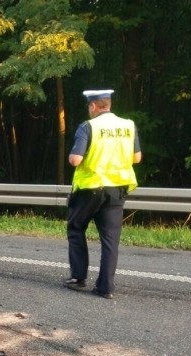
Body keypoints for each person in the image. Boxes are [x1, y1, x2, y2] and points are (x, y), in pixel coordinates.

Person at [64, 89, 142, 299]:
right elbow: (137, 158)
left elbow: (75, 160)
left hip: (91, 188)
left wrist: (76, 154)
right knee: (110, 239)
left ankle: (79, 277)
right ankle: (105, 287)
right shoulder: (128, 126)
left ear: (93, 106)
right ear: (108, 104)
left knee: (76, 227)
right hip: (117, 189)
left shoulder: (88, 127)